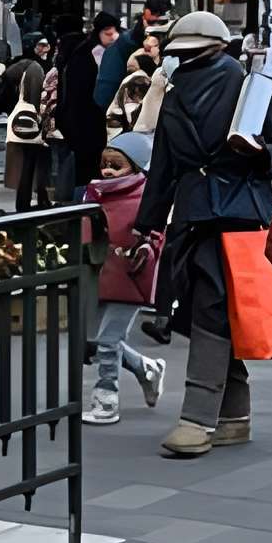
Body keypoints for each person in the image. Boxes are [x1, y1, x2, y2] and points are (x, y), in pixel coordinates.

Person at [136, 10, 272, 457]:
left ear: (220, 47)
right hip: (196, 211)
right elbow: (164, 166)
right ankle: (233, 414)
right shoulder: (177, 93)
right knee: (214, 308)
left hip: (237, 212)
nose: (186, 62)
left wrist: (261, 154)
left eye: (194, 53)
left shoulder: (255, 89)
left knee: (211, 308)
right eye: (181, 55)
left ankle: (197, 418)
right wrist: (146, 222)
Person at [83, 133, 171, 424]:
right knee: (96, 340)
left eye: (116, 166)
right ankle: (147, 368)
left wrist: (146, 248)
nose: (107, 171)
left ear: (135, 167)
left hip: (130, 277)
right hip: (100, 274)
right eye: (105, 164)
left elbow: (157, 234)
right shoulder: (94, 194)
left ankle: (105, 399)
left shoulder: (145, 197)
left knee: (109, 341)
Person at [53, 18, 110, 204]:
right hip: (88, 124)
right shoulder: (85, 58)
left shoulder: (67, 61)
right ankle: (84, 212)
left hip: (73, 124)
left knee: (79, 170)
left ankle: (76, 210)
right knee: (88, 172)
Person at [3, 35, 57, 212]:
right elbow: (35, 98)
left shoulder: (20, 65)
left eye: (48, 44)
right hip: (32, 125)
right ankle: (29, 205)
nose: (46, 49)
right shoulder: (34, 68)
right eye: (41, 45)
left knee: (26, 166)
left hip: (20, 123)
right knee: (32, 165)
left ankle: (28, 203)